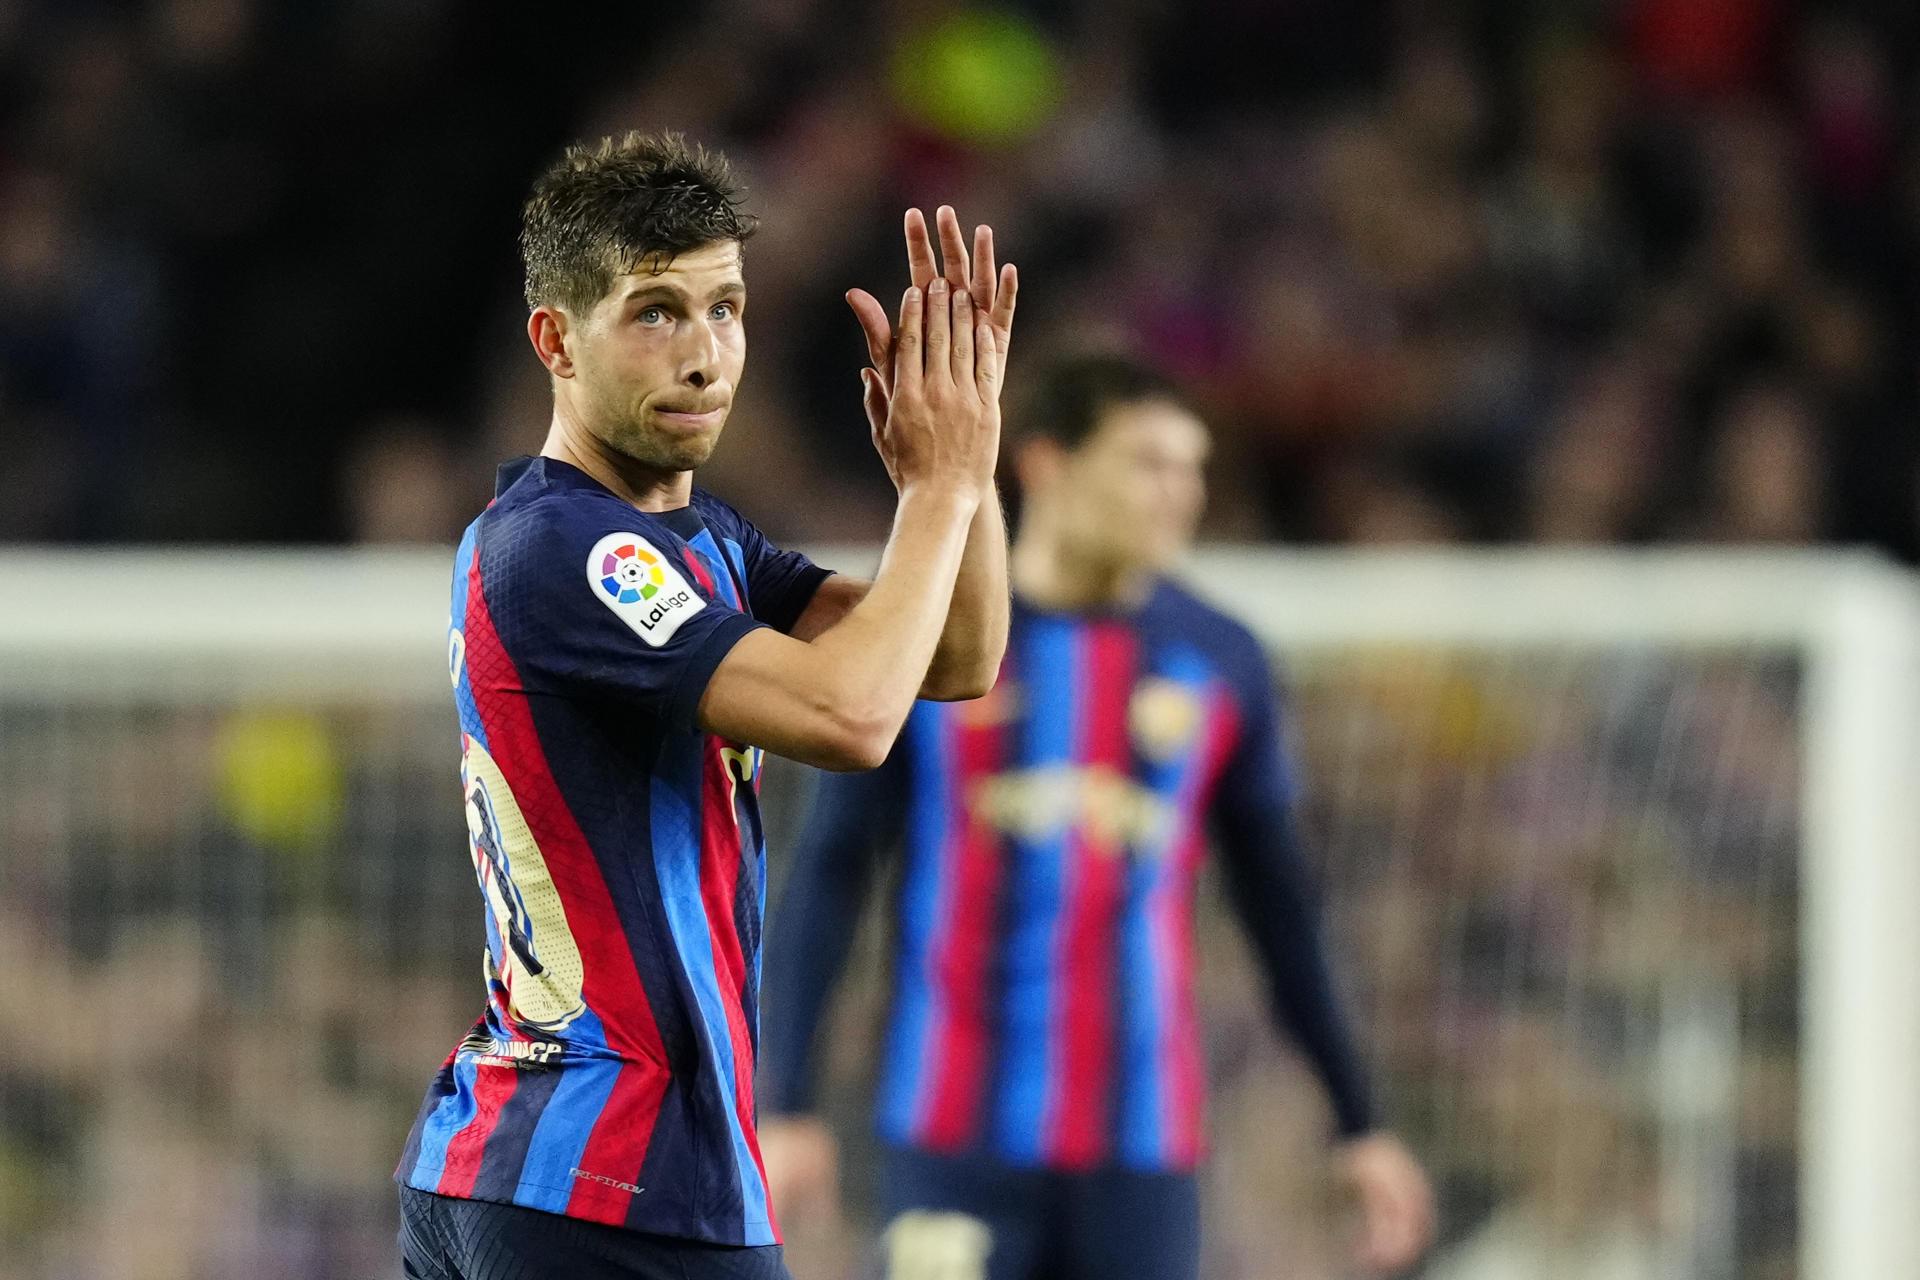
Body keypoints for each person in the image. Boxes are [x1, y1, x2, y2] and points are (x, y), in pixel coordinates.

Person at [394, 131, 1018, 1280]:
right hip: (610, 1178)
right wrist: (934, 490)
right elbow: (853, 718)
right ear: (555, 340)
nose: (703, 353)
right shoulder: (564, 547)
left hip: (572, 1175)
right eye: (655, 311)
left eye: (724, 308)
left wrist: (966, 478)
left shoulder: (697, 540)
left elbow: (952, 658)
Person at [758, 355, 1437, 1280]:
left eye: (1193, 470)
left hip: (1141, 1153)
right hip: (955, 1136)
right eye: (1149, 464)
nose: (1180, 495)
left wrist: (1361, 1123)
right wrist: (787, 1103)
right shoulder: (932, 644)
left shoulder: (1220, 661)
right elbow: (831, 875)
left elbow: (1282, 910)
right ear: (1047, 465)